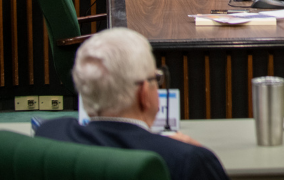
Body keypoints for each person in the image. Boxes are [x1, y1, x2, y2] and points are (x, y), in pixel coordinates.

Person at [34, 28, 226, 180]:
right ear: (143, 93)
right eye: (156, 79)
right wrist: (186, 149)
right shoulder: (190, 160)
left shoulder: (49, 134)